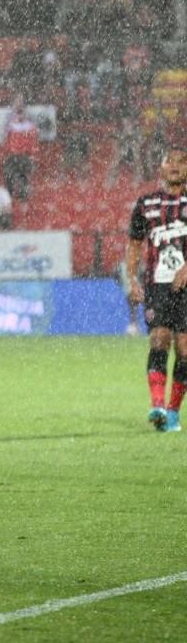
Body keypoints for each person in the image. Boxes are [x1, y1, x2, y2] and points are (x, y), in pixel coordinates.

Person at [126, 146, 187, 433]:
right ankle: (158, 406)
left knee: (185, 349)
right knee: (159, 340)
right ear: (160, 168)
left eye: (181, 161)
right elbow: (135, 243)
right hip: (157, 286)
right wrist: (132, 278)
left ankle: (174, 412)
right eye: (169, 161)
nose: (175, 166)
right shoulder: (146, 204)